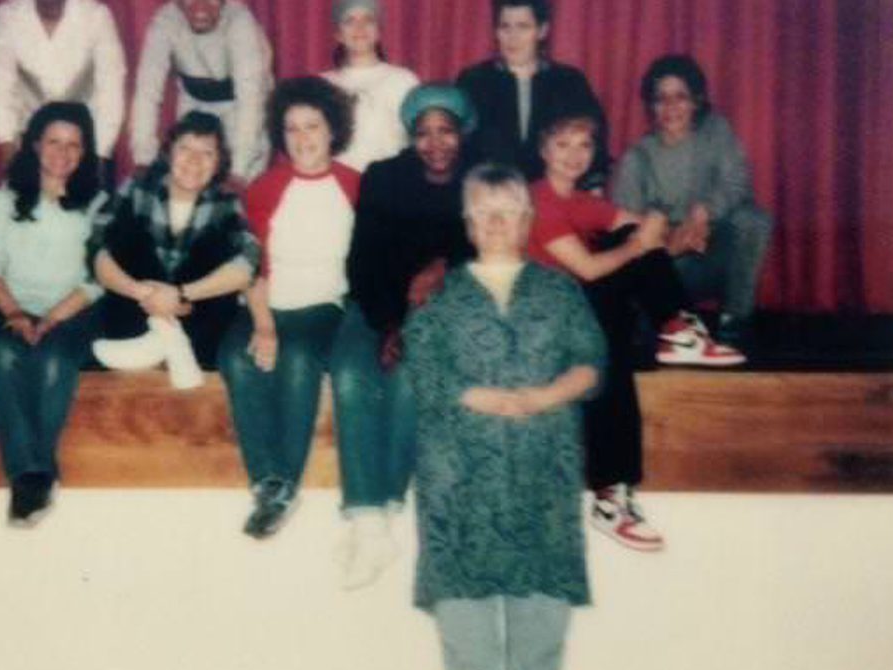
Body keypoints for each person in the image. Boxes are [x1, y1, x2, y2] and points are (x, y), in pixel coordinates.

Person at [404, 163, 605, 670]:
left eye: (508, 211)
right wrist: (479, 396)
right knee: (470, 654)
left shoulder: (561, 292)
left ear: (528, 220)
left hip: (542, 487)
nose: (495, 223)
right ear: (468, 224)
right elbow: (422, 369)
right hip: (459, 491)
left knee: (539, 652)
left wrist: (545, 396)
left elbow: (592, 361)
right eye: (483, 212)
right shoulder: (438, 294)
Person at [528, 109, 745, 551]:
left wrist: (673, 236)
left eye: (584, 145)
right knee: (627, 251)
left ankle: (612, 496)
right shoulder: (538, 199)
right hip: (542, 321)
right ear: (543, 150)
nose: (574, 155)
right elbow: (587, 269)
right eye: (562, 144)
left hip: (580, 315)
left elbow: (642, 237)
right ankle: (677, 330)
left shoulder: (586, 202)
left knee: (637, 234)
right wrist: (641, 242)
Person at [330, 84, 479, 589]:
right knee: (351, 375)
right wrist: (391, 322)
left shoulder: (483, 181)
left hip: (440, 309)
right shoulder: (384, 177)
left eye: (446, 131)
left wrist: (444, 265)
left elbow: (491, 252)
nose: (436, 143)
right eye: (424, 133)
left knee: (408, 378)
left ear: (463, 132)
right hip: (375, 301)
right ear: (410, 137)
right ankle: (369, 523)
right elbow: (362, 262)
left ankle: (379, 513)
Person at [217, 77, 358, 539]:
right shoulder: (264, 188)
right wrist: (263, 323)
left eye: (312, 126)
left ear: (332, 130)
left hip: (324, 307)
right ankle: (267, 482)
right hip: (265, 301)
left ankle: (284, 483)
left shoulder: (355, 185)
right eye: (292, 129)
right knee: (235, 356)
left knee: (298, 360)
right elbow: (252, 264)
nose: (302, 139)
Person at [0, 102, 108, 526]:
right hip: (13, 307)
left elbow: (97, 278)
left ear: (85, 152)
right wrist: (14, 314)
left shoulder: (98, 203)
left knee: (53, 360)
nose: (62, 153)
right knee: (4, 356)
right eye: (53, 142)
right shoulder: (4, 198)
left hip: (73, 313)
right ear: (34, 145)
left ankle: (36, 474)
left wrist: (51, 320)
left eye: (73, 145)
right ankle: (29, 473)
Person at [613, 54, 773, 348]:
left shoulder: (716, 131)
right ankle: (664, 319)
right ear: (650, 105)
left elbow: (737, 182)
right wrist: (675, 241)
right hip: (671, 266)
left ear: (696, 100)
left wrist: (703, 213)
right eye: (661, 99)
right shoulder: (637, 158)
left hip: (716, 250)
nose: (671, 107)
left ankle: (734, 321)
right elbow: (626, 237)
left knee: (754, 219)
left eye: (680, 97)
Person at [89, 111, 259, 387]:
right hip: (135, 309)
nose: (194, 161)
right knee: (131, 237)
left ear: (218, 163)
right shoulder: (137, 186)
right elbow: (97, 249)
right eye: (185, 149)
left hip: (197, 316)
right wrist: (144, 293)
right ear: (169, 153)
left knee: (217, 250)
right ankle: (170, 342)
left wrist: (179, 295)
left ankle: (162, 344)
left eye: (207, 153)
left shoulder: (226, 202)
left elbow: (249, 263)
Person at [456, 0, 608, 188]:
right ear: (496, 31)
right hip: (490, 194)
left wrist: (594, 187)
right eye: (505, 27)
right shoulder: (474, 81)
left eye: (523, 27)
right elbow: (460, 147)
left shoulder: (569, 81)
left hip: (553, 195)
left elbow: (593, 141)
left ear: (542, 30)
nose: (513, 37)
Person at [130, 0, 273, 189]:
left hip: (242, 111)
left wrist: (239, 172)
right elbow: (147, 91)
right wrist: (143, 158)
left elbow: (251, 99)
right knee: (189, 180)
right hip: (193, 102)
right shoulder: (165, 20)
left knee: (239, 194)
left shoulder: (240, 21)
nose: (200, 7)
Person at [0, 0, 126, 170]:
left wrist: (100, 156)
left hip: (89, 138)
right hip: (32, 139)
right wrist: (8, 148)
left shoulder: (96, 16)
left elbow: (111, 88)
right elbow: (2, 87)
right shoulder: (9, 16)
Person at [320, 0, 420, 172]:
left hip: (388, 184)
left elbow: (418, 140)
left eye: (368, 20)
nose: (360, 28)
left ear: (379, 31)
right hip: (337, 186)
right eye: (349, 21)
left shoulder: (403, 80)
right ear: (338, 34)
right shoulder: (322, 85)